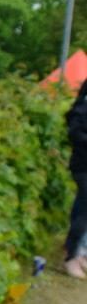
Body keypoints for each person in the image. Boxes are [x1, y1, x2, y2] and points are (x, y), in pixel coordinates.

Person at [65, 79, 87, 278]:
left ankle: (78, 253)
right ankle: (72, 257)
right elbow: (75, 133)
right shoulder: (84, 107)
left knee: (82, 207)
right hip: (83, 166)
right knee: (85, 211)